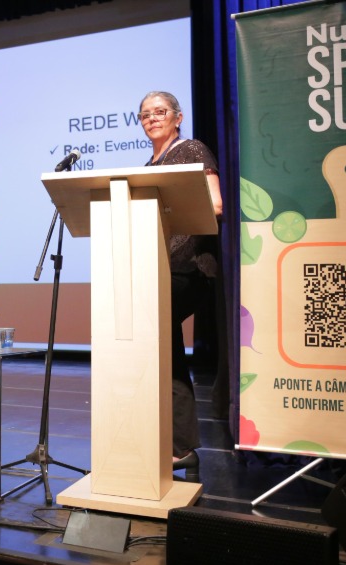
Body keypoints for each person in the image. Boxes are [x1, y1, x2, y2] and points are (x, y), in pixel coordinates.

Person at [139, 91, 223, 482]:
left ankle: (180, 446)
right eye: (145, 114)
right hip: (156, 268)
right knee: (164, 354)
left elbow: (216, 204)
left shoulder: (191, 149)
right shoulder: (147, 164)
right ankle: (179, 447)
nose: (152, 118)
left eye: (160, 112)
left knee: (162, 350)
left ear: (178, 117)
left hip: (188, 268)